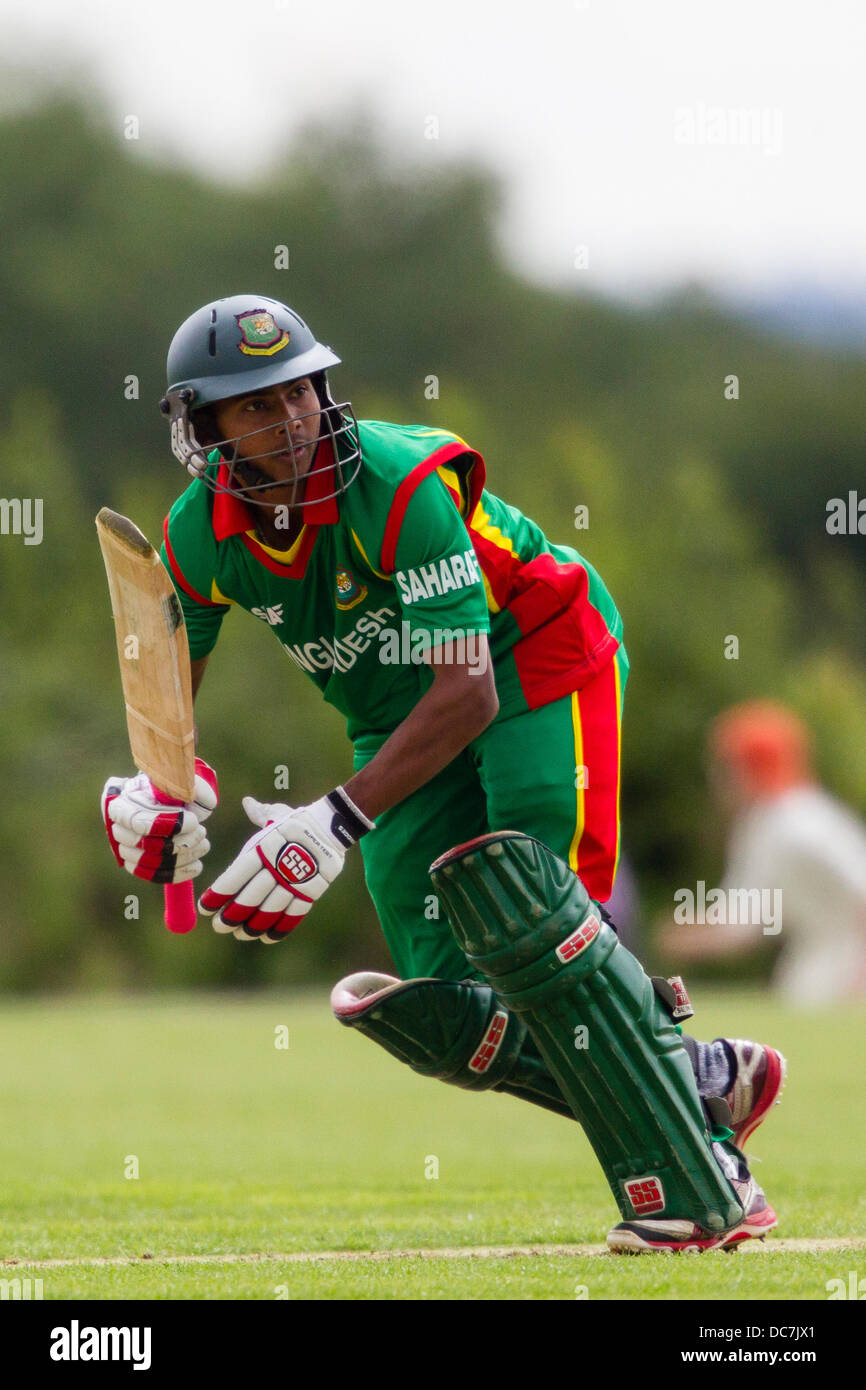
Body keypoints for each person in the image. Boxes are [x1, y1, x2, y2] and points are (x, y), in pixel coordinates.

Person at [100, 295, 785, 1253]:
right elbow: (167, 706)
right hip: (392, 717)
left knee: (534, 920)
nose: (290, 418)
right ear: (203, 427)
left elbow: (467, 694)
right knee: (460, 1016)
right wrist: (153, 797)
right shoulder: (199, 537)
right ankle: (703, 1078)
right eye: (255, 405)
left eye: (299, 390)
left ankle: (704, 1179)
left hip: (538, 655)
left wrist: (332, 821)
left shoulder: (398, 485)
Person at [661, 700, 866, 1005]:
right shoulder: (794, 814)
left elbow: (737, 927)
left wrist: (677, 939)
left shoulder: (783, 824)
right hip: (823, 957)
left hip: (843, 963)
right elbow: (746, 919)